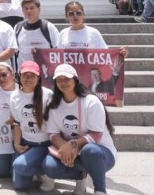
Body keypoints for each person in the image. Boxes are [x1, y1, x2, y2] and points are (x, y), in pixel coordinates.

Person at [43, 64, 118, 195]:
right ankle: (80, 176)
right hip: (73, 152)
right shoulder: (54, 105)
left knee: (89, 151)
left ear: (75, 80)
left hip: (100, 153)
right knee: (49, 166)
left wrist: (72, 144)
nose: (63, 83)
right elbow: (53, 134)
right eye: (59, 80)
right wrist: (64, 149)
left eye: (67, 79)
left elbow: (96, 135)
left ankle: (100, 189)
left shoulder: (91, 101)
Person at [9, 60, 55, 191]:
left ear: (38, 77)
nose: (28, 78)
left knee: (19, 166)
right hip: (26, 142)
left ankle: (46, 173)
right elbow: (17, 123)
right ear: (19, 76)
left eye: (32, 75)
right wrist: (17, 144)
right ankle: (38, 168)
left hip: (44, 143)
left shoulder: (48, 94)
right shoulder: (14, 97)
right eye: (25, 75)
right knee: (19, 185)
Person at [15, 0, 60, 65]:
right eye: (26, 8)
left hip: (45, 73)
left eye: (32, 8)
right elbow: (15, 51)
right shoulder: (18, 27)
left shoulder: (48, 27)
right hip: (25, 73)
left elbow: (58, 50)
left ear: (39, 9)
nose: (28, 11)